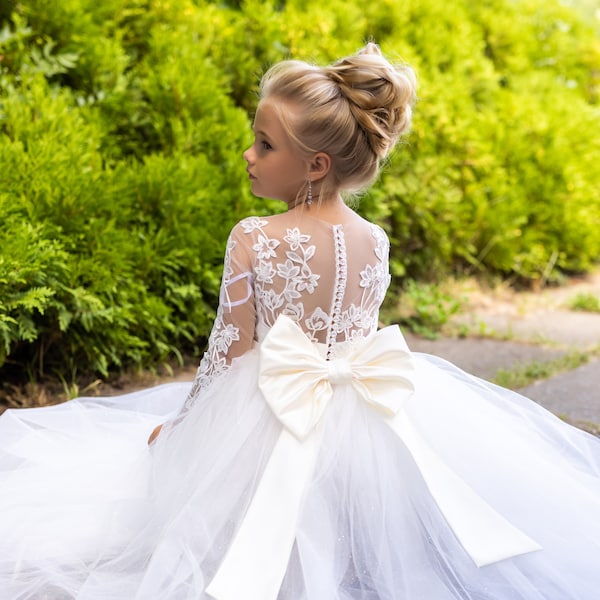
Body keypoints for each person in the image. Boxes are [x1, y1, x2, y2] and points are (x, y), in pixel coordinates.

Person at [1, 43, 599, 600]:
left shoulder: (254, 237)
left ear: (314, 164)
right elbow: (354, 332)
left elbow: (226, 357)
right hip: (365, 418)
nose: (248, 155)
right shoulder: (377, 240)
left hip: (273, 406)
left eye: (264, 145)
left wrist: (181, 435)